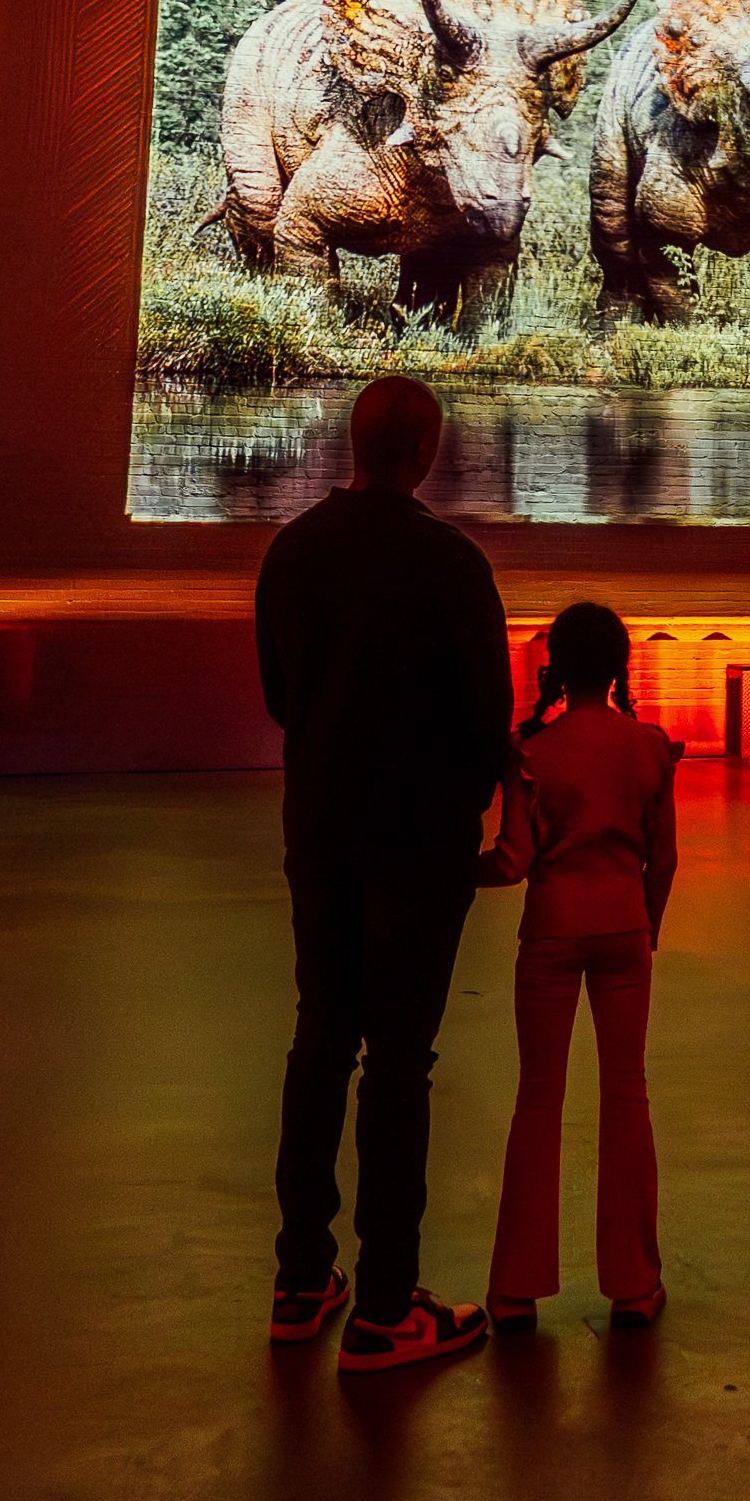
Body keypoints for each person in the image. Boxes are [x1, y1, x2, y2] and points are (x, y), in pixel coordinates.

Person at [253, 377, 515, 1373]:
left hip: (319, 826)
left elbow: (282, 695)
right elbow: (486, 722)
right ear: (429, 451)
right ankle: (386, 1307)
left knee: (320, 1035)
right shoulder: (452, 563)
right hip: (419, 843)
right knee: (399, 1062)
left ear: (353, 444)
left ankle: (298, 1279)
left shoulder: (293, 550)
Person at [477, 603, 682, 1331]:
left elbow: (512, 860)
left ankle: (515, 1290)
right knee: (627, 1093)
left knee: (538, 1098)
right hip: (624, 925)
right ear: (621, 666)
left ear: (554, 669)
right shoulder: (650, 746)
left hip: (551, 934)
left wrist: (448, 873)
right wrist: (645, 929)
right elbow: (666, 859)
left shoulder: (529, 750)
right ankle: (633, 1283)